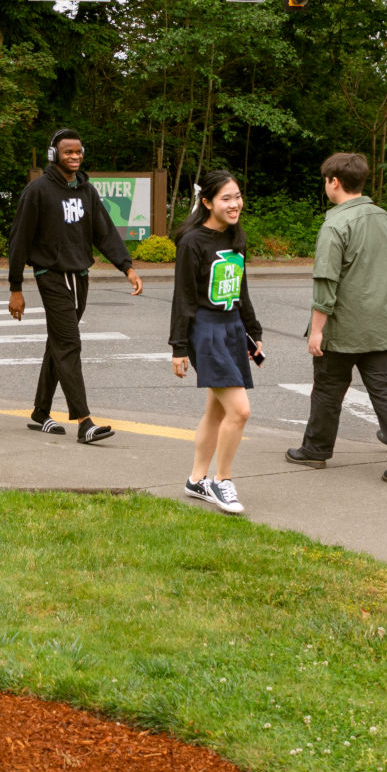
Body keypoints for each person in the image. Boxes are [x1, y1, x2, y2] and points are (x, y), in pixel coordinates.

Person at [284, 152, 387, 483]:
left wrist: (316, 330)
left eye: (326, 181)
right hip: (382, 323)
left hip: (344, 326)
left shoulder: (335, 223)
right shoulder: (384, 217)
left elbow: (326, 282)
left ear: (334, 182)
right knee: (386, 390)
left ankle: (316, 450)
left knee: (328, 387)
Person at [6, 128, 143, 443]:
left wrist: (127, 267)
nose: (75, 156)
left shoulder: (86, 190)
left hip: (79, 275)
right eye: (68, 152)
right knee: (69, 343)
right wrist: (16, 287)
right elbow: (19, 241)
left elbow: (104, 231)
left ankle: (41, 412)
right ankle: (84, 421)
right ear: (54, 155)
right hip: (50, 275)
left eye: (78, 151)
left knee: (59, 342)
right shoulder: (38, 191)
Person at [169, 170, 263, 515]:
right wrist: (178, 347)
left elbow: (240, 287)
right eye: (226, 198)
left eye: (237, 196)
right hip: (205, 330)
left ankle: (197, 480)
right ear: (207, 202)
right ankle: (222, 482)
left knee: (217, 410)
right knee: (240, 410)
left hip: (232, 327)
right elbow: (182, 297)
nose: (235, 204)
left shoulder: (236, 236)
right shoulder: (193, 242)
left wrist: (253, 331)